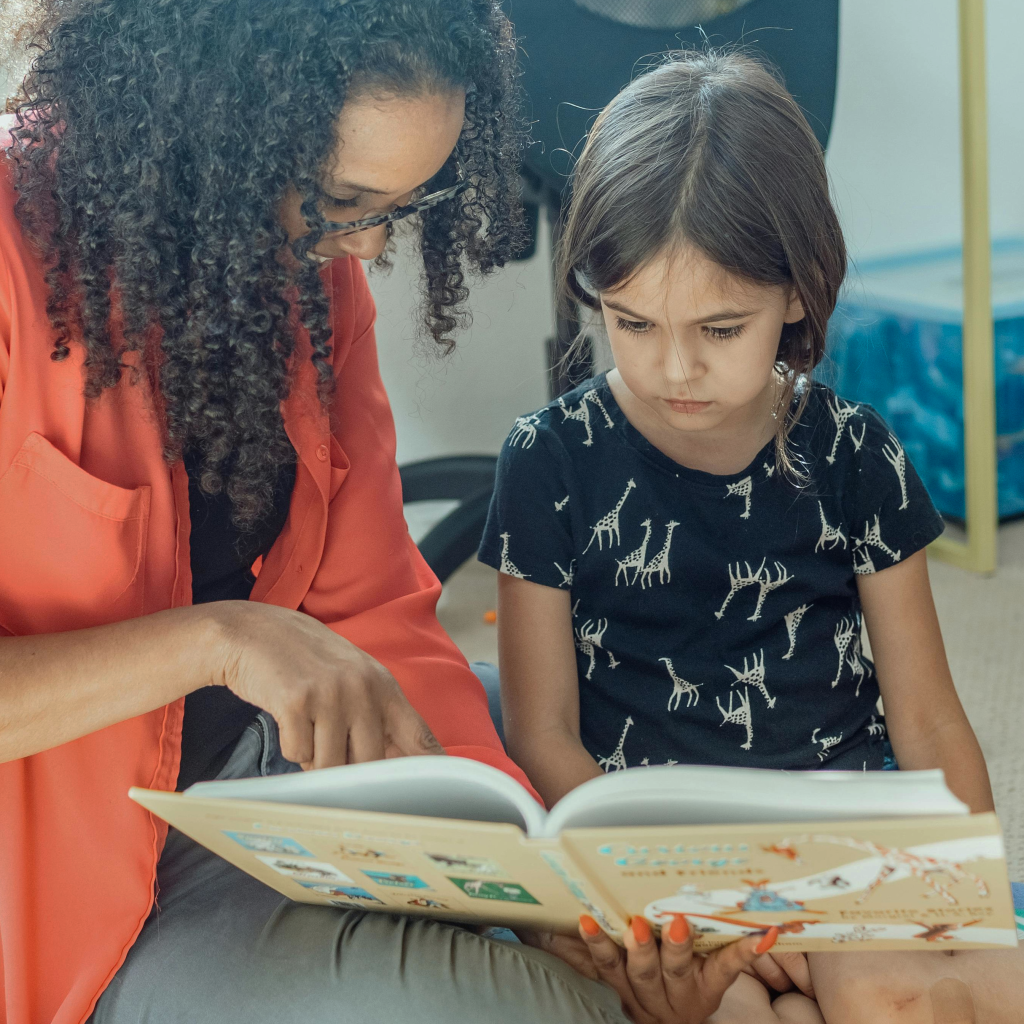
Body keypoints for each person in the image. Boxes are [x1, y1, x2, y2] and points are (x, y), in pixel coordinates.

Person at [0, 3, 775, 1021]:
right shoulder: (16, 258)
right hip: (73, 883)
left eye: (399, 209)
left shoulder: (313, 277)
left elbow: (376, 613)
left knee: (658, 760)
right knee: (542, 1010)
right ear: (213, 121)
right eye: (340, 200)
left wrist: (545, 899)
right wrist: (221, 639)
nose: (363, 251)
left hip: (275, 770)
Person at [481, 50, 1024, 1022]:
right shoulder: (547, 460)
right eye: (632, 322)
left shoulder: (857, 451)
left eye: (720, 329)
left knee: (939, 995)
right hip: (662, 856)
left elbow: (931, 720)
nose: (673, 367)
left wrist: (965, 896)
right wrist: (667, 896)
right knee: (733, 1011)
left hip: (843, 839)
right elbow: (543, 733)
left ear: (798, 295)